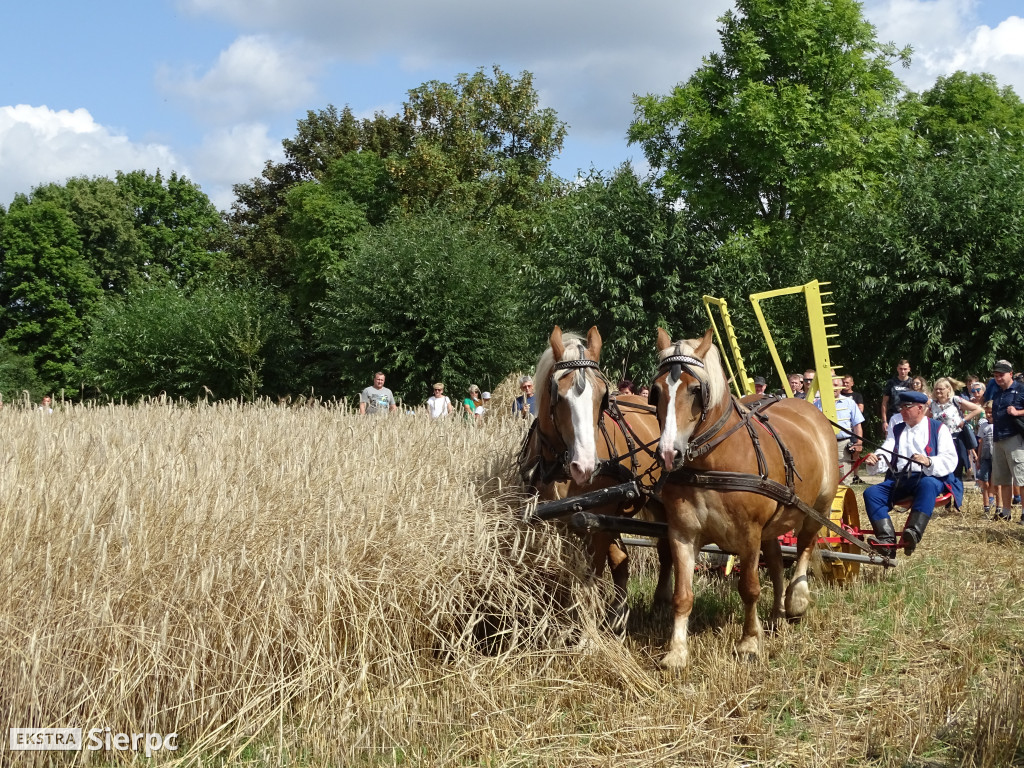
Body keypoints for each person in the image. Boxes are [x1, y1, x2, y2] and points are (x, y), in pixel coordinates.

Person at [862, 390, 961, 557]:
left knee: (927, 484)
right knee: (872, 493)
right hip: (902, 480)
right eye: (901, 407)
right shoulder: (898, 429)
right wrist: (876, 458)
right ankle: (886, 541)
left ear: (920, 408)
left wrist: (929, 461)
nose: (902, 411)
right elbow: (887, 448)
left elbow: (951, 459)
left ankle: (913, 533)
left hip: (929, 477)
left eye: (906, 407)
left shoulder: (939, 429)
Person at [983, 360, 1024, 522]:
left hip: (1015, 437)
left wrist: (1018, 412)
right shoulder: (998, 393)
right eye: (996, 376)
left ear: (1011, 374)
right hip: (999, 438)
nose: (999, 378)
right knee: (1003, 478)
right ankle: (1006, 512)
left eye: (1002, 375)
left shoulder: (1021, 389)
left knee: (1021, 478)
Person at [929, 377, 983, 480]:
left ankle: (957, 490)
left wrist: (963, 420)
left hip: (956, 438)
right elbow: (925, 418)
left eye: (941, 389)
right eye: (936, 389)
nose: (938, 391)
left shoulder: (955, 400)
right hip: (940, 440)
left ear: (948, 389)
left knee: (957, 467)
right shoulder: (933, 404)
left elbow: (977, 409)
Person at [813, 375, 864, 480]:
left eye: (836, 385)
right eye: (830, 385)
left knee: (843, 476)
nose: (833, 388)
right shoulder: (818, 404)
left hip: (842, 443)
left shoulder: (849, 403)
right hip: (823, 443)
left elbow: (857, 425)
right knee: (824, 476)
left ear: (841, 388)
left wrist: (859, 443)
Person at [880, 359, 913, 432]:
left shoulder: (913, 383)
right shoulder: (891, 383)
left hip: (909, 416)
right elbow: (884, 403)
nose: (903, 371)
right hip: (893, 416)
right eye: (901, 369)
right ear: (897, 369)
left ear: (909, 369)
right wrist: (884, 421)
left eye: (905, 369)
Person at [977, 402, 995, 515]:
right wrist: (978, 458)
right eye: (987, 412)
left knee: (994, 481)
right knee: (984, 481)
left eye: (991, 412)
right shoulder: (983, 426)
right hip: (985, 456)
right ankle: (986, 506)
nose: (988, 415)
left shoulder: (998, 425)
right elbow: (981, 443)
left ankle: (993, 500)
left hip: (996, 457)